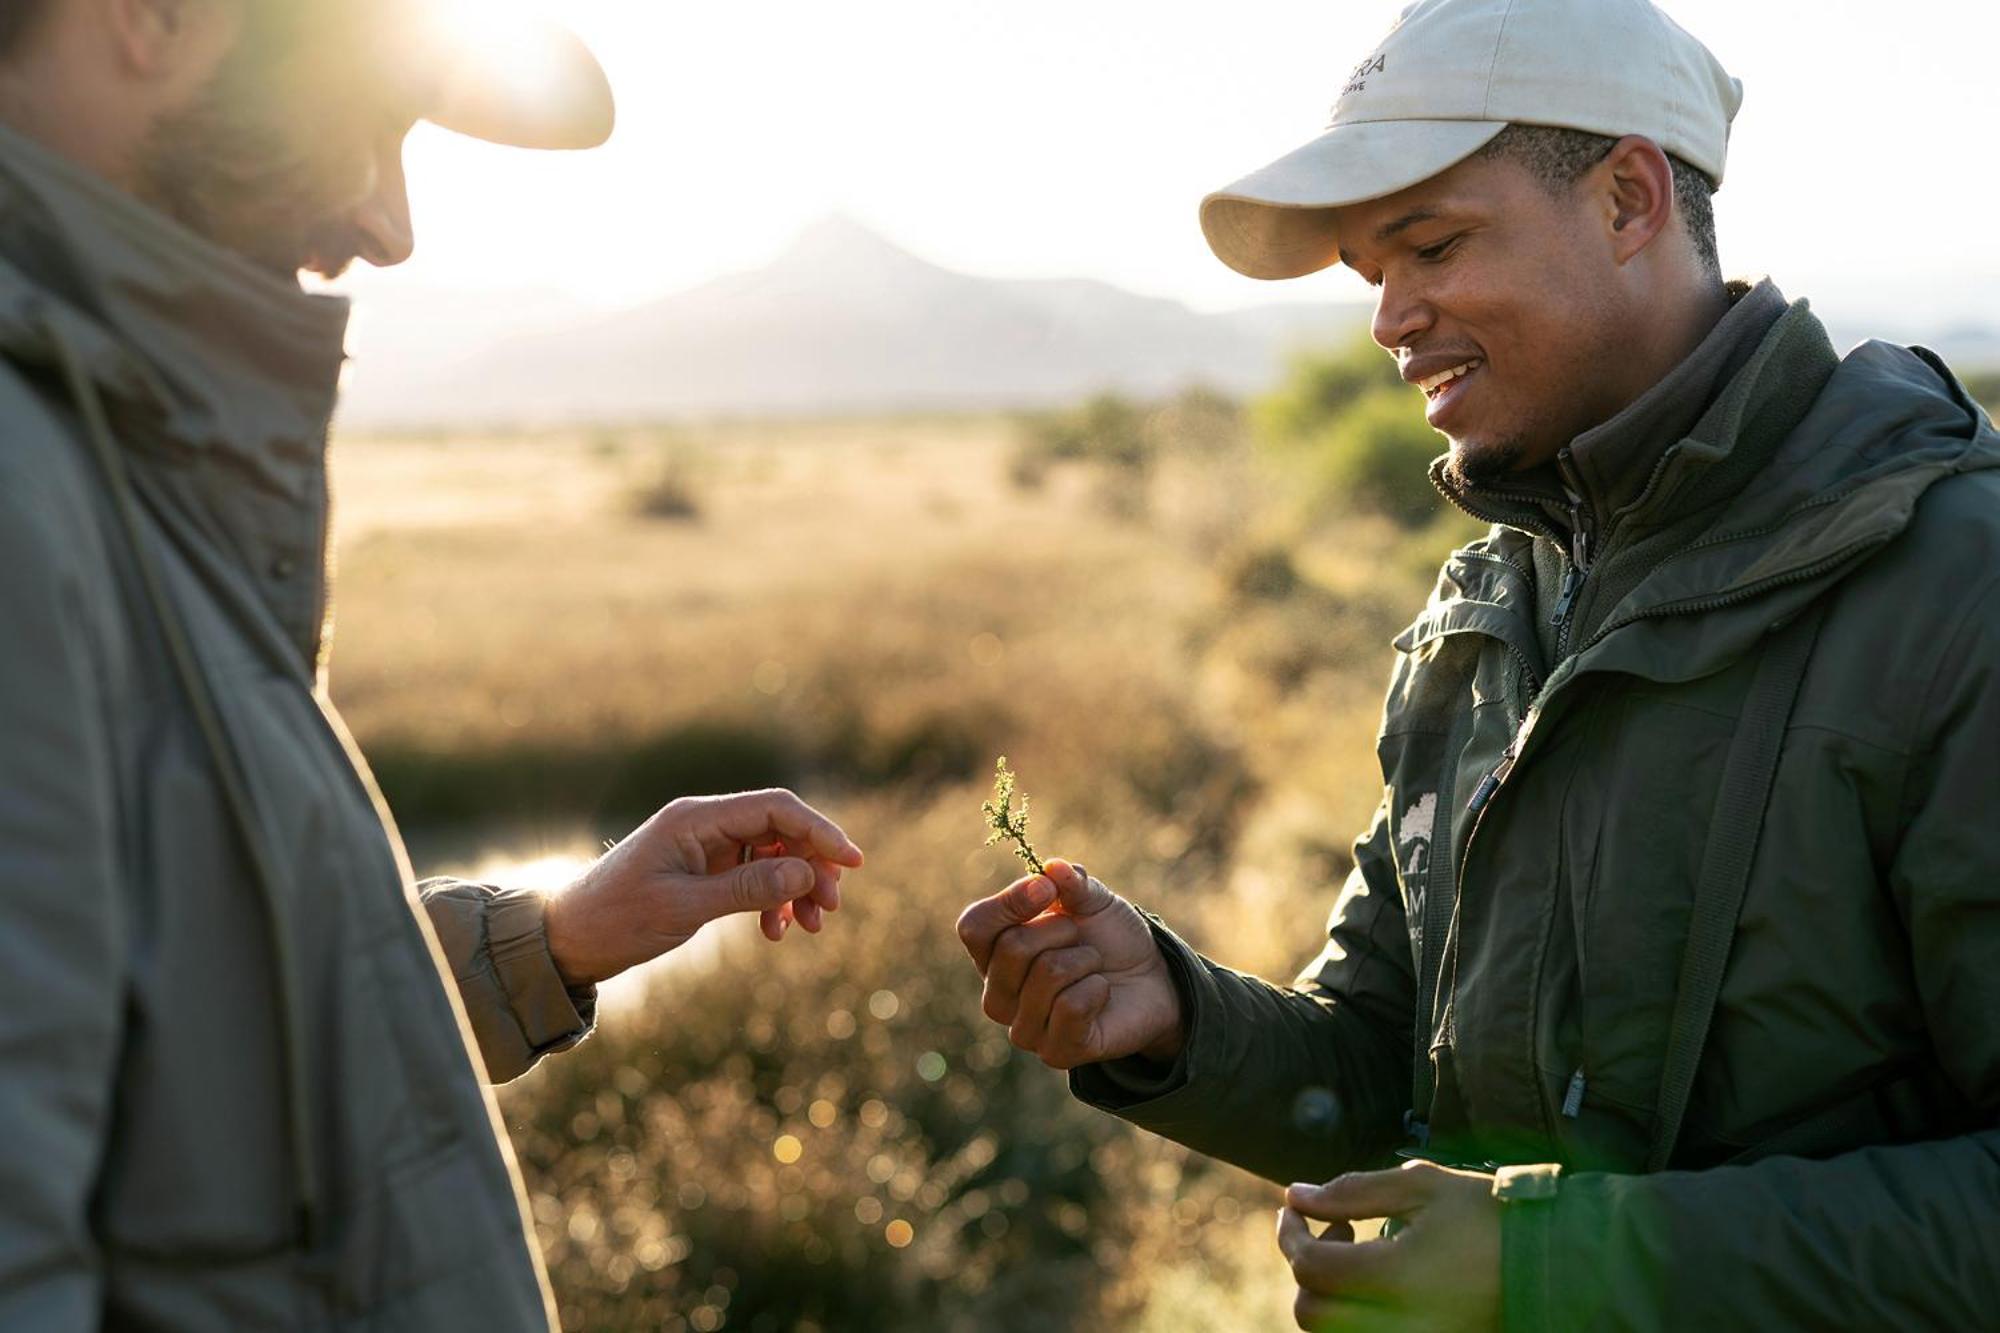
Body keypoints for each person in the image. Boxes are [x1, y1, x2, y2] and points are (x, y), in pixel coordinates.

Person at [955, 0, 2000, 1327]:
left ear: (1629, 199)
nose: (1390, 319)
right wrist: (1174, 1017)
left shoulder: (1956, 584)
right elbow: (1386, 1060)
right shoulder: (1487, 610)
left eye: (1433, 245)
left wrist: (1552, 1261)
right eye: (1367, 271)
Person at [0, 1, 862, 1327]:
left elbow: (177, 1093)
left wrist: (551, 939)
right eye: (369, 120)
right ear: (156, 17)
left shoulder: (99, 463)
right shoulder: (27, 491)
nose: (389, 226)